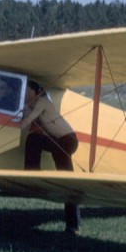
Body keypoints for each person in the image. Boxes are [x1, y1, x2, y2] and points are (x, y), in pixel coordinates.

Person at [20, 80, 81, 234]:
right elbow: (28, 120)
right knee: (68, 184)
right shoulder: (32, 106)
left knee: (33, 139)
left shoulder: (42, 102)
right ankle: (72, 227)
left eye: (25, 89)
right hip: (58, 143)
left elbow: (27, 121)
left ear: (33, 91)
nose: (24, 92)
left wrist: (14, 124)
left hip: (68, 141)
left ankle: (32, 173)